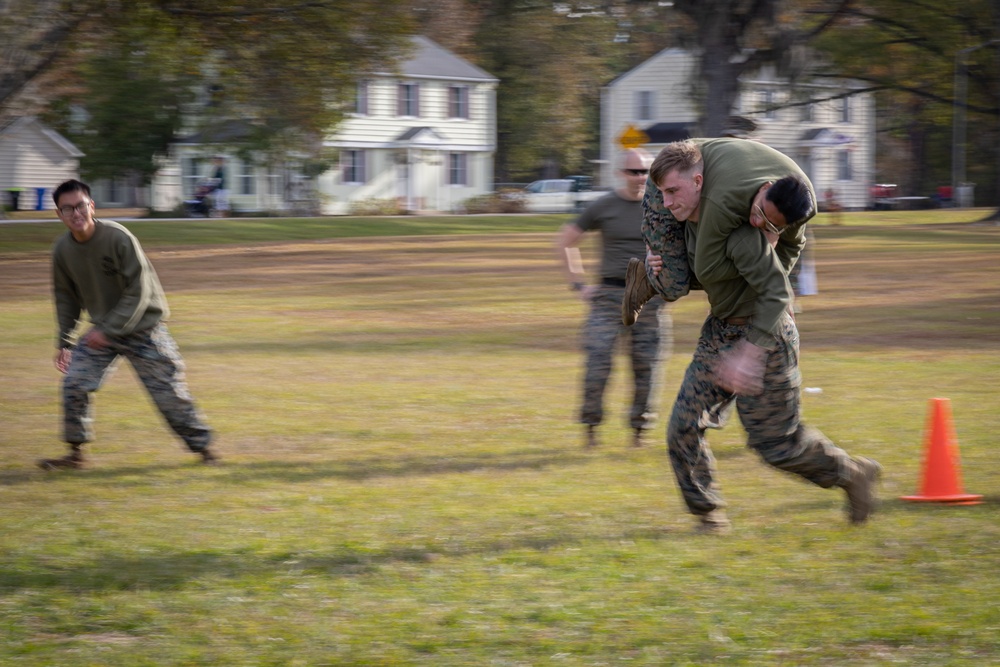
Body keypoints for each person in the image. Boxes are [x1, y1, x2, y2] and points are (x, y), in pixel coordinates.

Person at [628, 140, 881, 533]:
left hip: (766, 337)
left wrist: (748, 353)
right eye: (663, 193)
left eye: (674, 193)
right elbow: (678, 249)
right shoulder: (685, 212)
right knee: (681, 427)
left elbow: (779, 291)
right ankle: (708, 515)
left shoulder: (742, 233)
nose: (666, 202)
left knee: (776, 445)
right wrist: (656, 263)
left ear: (699, 182)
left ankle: (851, 474)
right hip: (721, 329)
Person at [39, 179, 217, 470]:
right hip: (103, 332)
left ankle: (205, 451)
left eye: (80, 205)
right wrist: (65, 341)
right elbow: (65, 298)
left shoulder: (118, 237)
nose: (76, 213)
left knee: (169, 394)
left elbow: (140, 291)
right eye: (67, 208)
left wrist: (108, 329)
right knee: (74, 383)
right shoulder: (62, 250)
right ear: (59, 214)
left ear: (91, 206)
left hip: (143, 328)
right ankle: (75, 454)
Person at [555, 148, 670, 448]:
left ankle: (639, 433)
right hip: (608, 297)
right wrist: (579, 286)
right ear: (621, 173)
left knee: (647, 366)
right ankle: (590, 430)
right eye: (633, 171)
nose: (639, 177)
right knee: (598, 360)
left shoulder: (662, 207)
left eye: (645, 171)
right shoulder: (604, 205)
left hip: (649, 296)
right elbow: (566, 241)